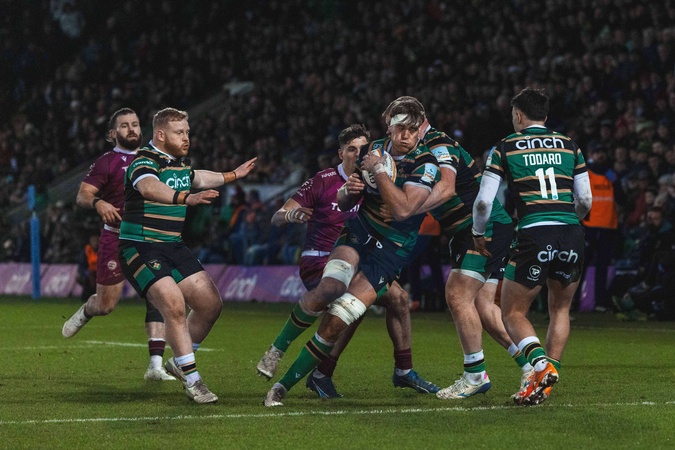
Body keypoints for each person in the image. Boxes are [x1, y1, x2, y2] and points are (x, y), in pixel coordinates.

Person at [264, 96, 440, 406]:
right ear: (388, 127)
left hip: (390, 251)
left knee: (344, 314)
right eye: (399, 128)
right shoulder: (374, 150)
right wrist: (348, 191)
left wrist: (379, 172)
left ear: (419, 130)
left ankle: (284, 386)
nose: (404, 136)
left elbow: (403, 210)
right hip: (357, 234)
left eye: (412, 130)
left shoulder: (425, 164)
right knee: (331, 289)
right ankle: (276, 351)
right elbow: (346, 201)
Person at [117, 107, 256, 403]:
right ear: (160, 134)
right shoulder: (144, 160)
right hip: (140, 246)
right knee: (174, 305)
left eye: (187, 132)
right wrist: (185, 199)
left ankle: (180, 362)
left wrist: (234, 174)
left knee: (210, 305)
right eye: (179, 132)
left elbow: (198, 177)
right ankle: (193, 381)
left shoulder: (179, 163)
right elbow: (149, 187)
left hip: (172, 245)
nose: (186, 138)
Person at [392, 100, 529, 400]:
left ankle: (475, 375)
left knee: (457, 294)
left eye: (403, 125)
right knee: (483, 307)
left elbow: (447, 188)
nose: (399, 132)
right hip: (476, 228)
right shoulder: (415, 151)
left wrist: (409, 209)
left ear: (418, 121)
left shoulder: (437, 143)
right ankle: (532, 365)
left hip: (483, 227)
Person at [472, 87, 592, 406]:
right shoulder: (570, 145)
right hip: (571, 232)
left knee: (513, 312)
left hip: (534, 232)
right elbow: (585, 200)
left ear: (519, 115)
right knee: (560, 309)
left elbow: (483, 202)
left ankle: (540, 367)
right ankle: (546, 382)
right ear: (546, 116)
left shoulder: (505, 147)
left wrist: (478, 233)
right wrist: (568, 222)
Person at [62, 108, 176, 382]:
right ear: (113, 133)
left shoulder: (156, 158)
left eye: (135, 124)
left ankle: (155, 366)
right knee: (106, 305)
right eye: (124, 125)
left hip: (150, 238)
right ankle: (88, 309)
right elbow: (82, 195)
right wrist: (98, 202)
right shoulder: (107, 162)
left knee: (159, 295)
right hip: (117, 237)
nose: (132, 129)